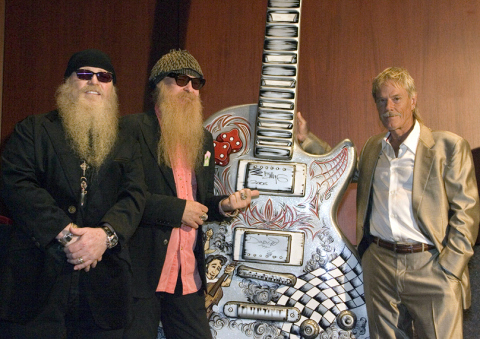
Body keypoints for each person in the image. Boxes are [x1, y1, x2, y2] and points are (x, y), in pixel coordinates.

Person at [0, 49, 146, 338]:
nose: (94, 81)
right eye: (84, 74)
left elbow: (134, 195)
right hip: (36, 281)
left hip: (104, 285)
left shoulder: (126, 140)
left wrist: (104, 236)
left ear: (112, 88)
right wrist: (66, 234)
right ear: (67, 82)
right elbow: (17, 184)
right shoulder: (33, 130)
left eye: (104, 77)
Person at [122, 49, 258, 339]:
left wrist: (222, 205)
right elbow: (122, 198)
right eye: (181, 80)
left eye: (196, 84)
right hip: (141, 274)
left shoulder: (203, 138)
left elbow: (198, 201)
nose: (189, 89)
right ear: (158, 85)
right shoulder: (132, 129)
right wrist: (177, 210)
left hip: (187, 275)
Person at [356, 67, 479, 338]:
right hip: (380, 265)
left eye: (396, 98)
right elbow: (345, 170)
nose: (388, 107)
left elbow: (467, 213)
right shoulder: (372, 148)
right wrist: (309, 143)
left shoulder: (448, 146)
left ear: (413, 100)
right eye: (381, 100)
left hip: (431, 265)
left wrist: (450, 267)